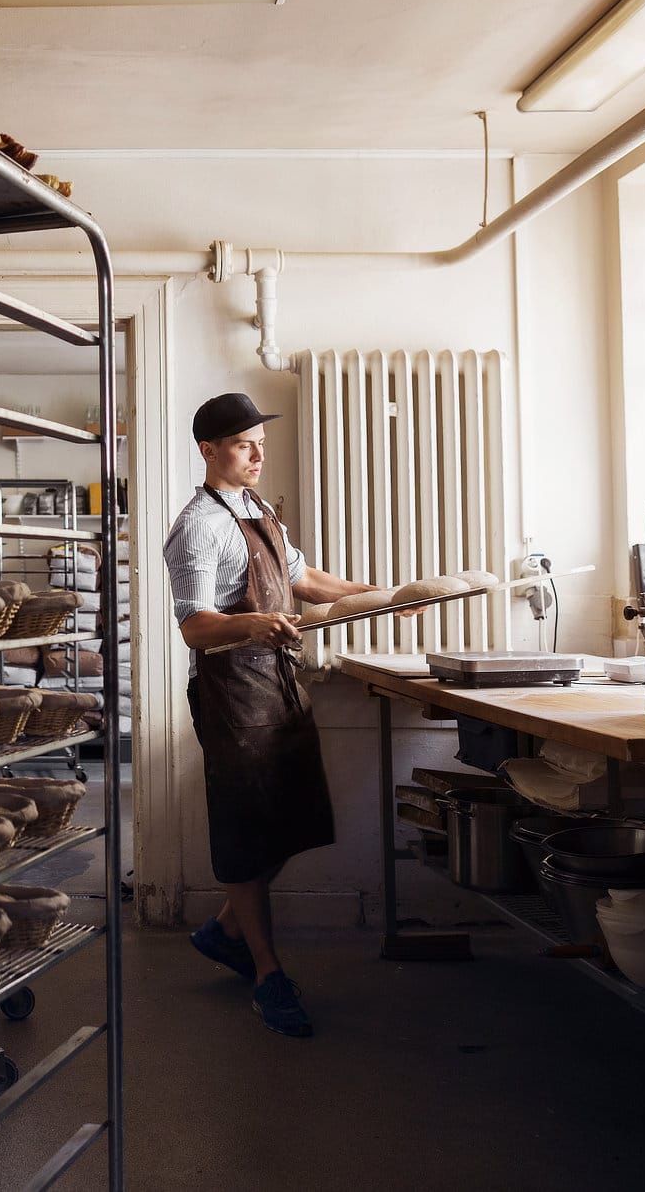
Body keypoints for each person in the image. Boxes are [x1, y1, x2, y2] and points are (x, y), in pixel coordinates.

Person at [162, 392, 380, 1038]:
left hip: (278, 685)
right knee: (248, 830)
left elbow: (304, 579)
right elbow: (194, 627)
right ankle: (266, 970)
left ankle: (227, 929)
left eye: (260, 440)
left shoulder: (258, 508)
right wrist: (251, 622)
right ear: (209, 450)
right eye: (242, 444)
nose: (258, 453)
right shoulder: (196, 524)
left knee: (290, 818)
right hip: (232, 696)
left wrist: (381, 594)